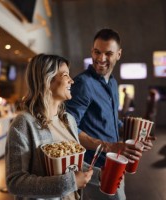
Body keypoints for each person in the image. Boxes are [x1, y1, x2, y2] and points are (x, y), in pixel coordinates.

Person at [66, 28, 155, 199]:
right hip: (93, 170)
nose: (101, 58)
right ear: (92, 51)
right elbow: (68, 129)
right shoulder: (83, 84)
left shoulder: (113, 83)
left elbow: (112, 121)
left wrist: (138, 136)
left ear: (119, 54)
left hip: (114, 164)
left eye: (108, 53)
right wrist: (110, 146)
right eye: (97, 52)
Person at [5, 54, 93, 200]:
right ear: (47, 79)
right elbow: (15, 183)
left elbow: (72, 164)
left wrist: (100, 174)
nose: (72, 80)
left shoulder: (69, 120)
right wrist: (70, 182)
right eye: (65, 75)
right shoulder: (23, 123)